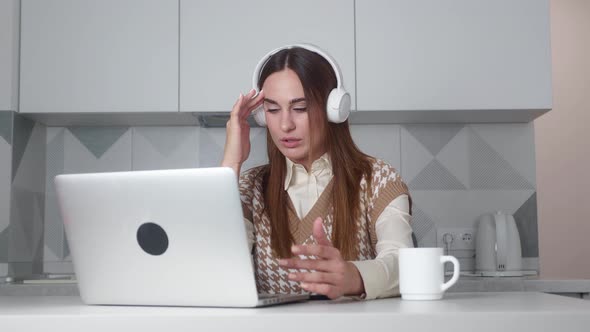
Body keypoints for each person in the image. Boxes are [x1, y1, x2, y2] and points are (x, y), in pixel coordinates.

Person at [221, 44, 414, 300]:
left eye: (300, 108)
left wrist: (354, 277)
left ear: (333, 109)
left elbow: (405, 264)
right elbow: (215, 269)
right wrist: (232, 162)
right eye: (273, 109)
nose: (285, 125)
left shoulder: (378, 179)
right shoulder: (249, 188)